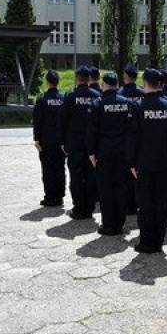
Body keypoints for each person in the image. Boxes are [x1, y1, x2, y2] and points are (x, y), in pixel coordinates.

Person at [127, 69, 167, 254]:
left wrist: (131, 162)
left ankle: (147, 242)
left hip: (144, 164)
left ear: (145, 83)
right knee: (161, 202)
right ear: (160, 84)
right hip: (165, 163)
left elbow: (133, 137)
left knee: (146, 203)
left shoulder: (138, 106)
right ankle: (158, 240)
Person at [87, 72, 134, 236]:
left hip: (104, 152)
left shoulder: (98, 103)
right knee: (121, 187)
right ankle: (119, 223)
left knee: (106, 188)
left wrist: (91, 151)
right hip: (122, 152)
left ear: (103, 84)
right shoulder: (126, 103)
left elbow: (92, 130)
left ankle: (108, 224)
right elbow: (131, 129)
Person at [63, 66, 100, 219]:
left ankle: (79, 208)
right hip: (93, 145)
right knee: (91, 176)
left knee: (77, 176)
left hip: (76, 144)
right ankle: (89, 207)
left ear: (77, 78)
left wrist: (63, 142)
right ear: (89, 78)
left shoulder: (70, 96)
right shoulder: (97, 96)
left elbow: (63, 121)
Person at [32, 70, 68, 207]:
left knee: (47, 169)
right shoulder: (63, 98)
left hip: (46, 140)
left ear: (47, 82)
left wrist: (36, 139)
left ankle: (50, 196)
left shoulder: (42, 99)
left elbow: (37, 121)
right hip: (60, 140)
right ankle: (59, 196)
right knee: (60, 168)